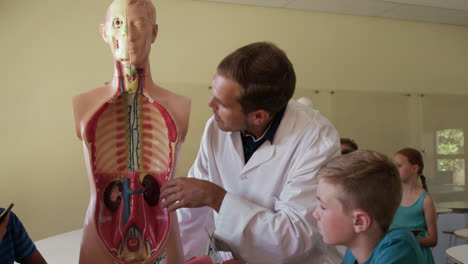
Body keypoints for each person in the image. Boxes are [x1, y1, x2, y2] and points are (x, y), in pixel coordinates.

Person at [160, 42, 343, 264]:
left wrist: (216, 197)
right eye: (213, 94)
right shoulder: (216, 128)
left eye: (221, 103)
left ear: (259, 116)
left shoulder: (316, 141)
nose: (210, 105)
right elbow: (193, 211)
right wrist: (175, 258)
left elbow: (293, 239)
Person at [72, 0, 190, 263]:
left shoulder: (180, 106)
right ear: (105, 32)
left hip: (162, 235)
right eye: (118, 24)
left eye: (138, 24)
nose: (127, 35)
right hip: (99, 232)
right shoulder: (82, 105)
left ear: (155, 32)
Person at [313, 150, 425, 264]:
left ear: (359, 221)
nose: (315, 214)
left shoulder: (399, 247)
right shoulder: (353, 251)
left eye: (323, 207)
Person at [391, 148, 437, 263]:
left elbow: (433, 239)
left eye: (399, 166)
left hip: (417, 257)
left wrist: (407, 241)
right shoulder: (392, 196)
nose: (394, 170)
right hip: (395, 255)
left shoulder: (426, 200)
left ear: (414, 168)